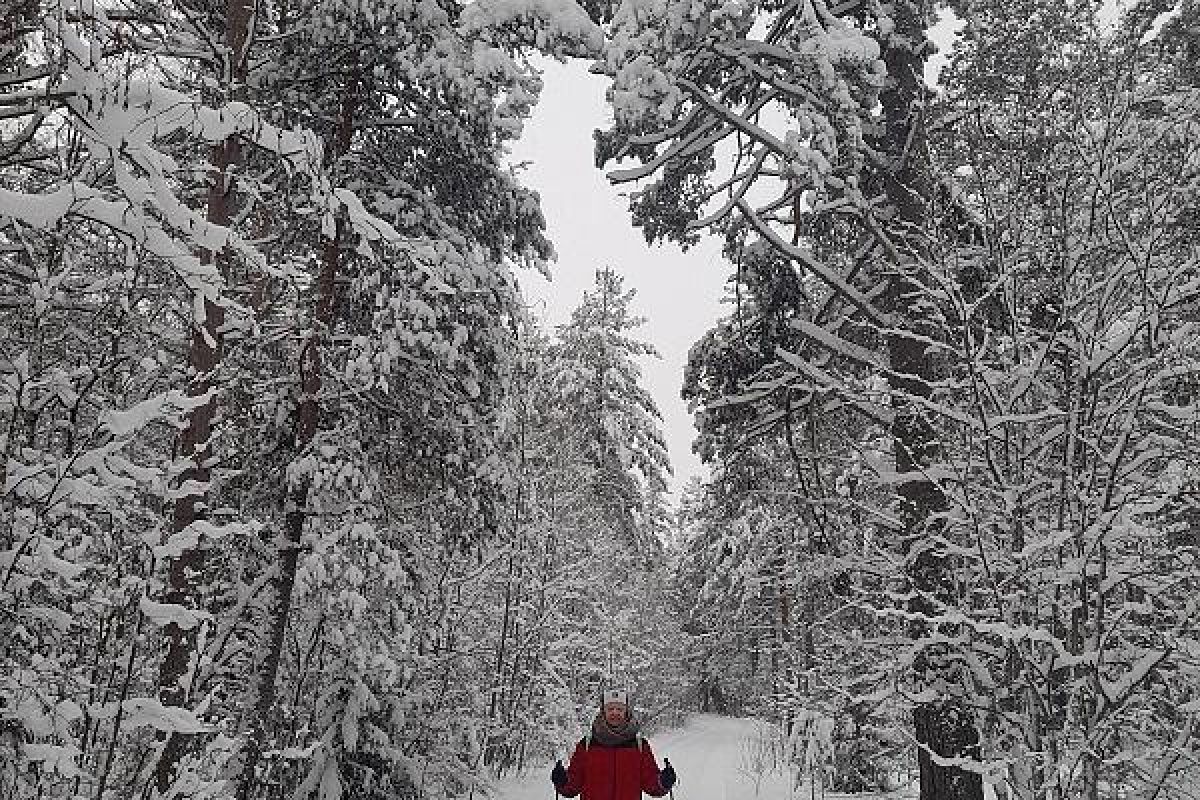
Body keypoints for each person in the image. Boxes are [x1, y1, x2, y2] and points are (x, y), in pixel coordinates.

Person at [551, 689, 677, 800]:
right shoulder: (587, 745)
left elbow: (650, 782)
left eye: (619, 709)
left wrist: (663, 781)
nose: (615, 713)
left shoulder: (639, 745)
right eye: (610, 709)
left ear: (626, 712)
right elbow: (574, 783)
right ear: (603, 712)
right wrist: (563, 781)